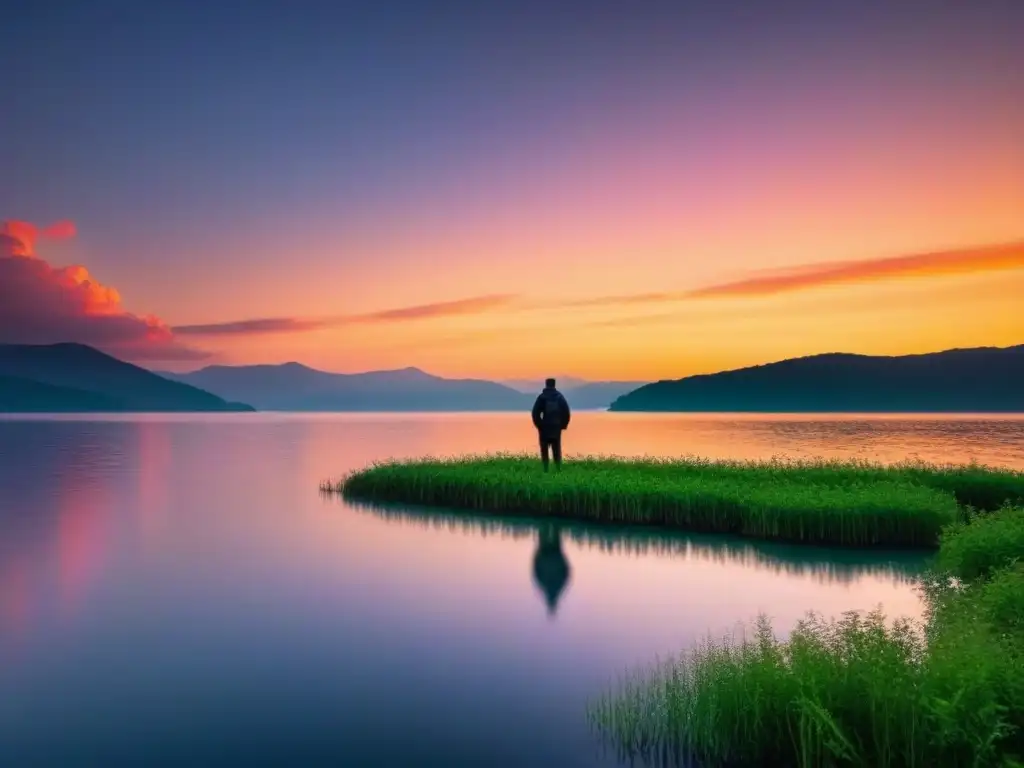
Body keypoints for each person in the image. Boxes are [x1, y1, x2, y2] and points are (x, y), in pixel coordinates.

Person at [531, 377, 571, 471]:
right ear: (554, 385)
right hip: (556, 428)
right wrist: (562, 425)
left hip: (544, 428)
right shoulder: (559, 397)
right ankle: (558, 469)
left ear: (546, 384)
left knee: (544, 450)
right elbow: (566, 412)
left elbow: (535, 413)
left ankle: (545, 469)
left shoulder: (542, 397)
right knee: (556, 449)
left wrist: (539, 425)